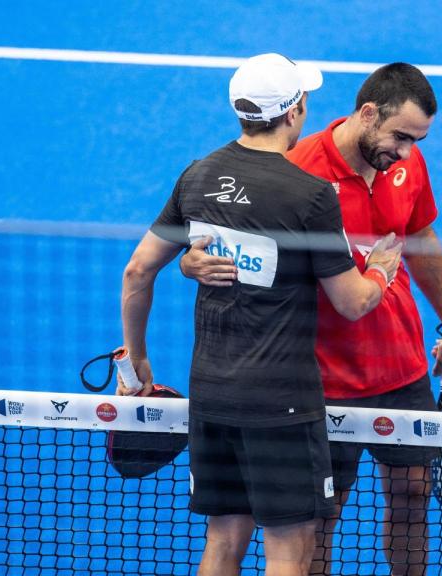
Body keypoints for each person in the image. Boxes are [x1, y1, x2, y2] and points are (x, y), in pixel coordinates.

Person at [118, 53, 402, 576]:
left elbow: (137, 272)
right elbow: (351, 301)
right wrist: (383, 268)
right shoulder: (310, 196)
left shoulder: (197, 176)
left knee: (223, 540)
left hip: (211, 393)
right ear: (293, 111)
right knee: (287, 552)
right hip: (281, 404)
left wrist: (135, 365)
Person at [179, 63, 442, 576]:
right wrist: (189, 261)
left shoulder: (409, 163)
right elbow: (243, 252)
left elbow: (421, 242)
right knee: (319, 516)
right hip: (321, 375)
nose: (406, 151)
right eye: (400, 136)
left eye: (416, 140)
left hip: (399, 366)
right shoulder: (300, 169)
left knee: (412, 493)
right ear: (367, 112)